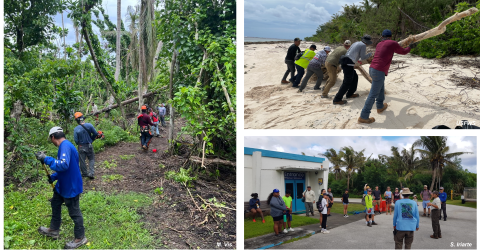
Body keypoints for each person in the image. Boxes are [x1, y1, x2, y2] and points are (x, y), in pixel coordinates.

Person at [35, 127, 88, 250]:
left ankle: (80, 238)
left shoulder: (65, 146)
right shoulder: (65, 146)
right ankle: (54, 229)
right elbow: (68, 167)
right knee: (55, 203)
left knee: (74, 212)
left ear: (53, 137)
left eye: (51, 139)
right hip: (63, 185)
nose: (52, 141)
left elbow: (63, 164)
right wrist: (54, 176)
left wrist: (46, 158)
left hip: (71, 186)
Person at [358, 29, 417, 123]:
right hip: (379, 71)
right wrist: (410, 47)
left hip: (372, 68)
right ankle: (363, 116)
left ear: (382, 37)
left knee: (381, 87)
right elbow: (403, 52)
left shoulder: (379, 44)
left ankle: (380, 106)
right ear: (391, 37)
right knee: (373, 94)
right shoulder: (392, 43)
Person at [332, 35, 373, 105]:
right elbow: (363, 57)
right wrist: (370, 54)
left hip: (346, 61)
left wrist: (358, 60)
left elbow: (353, 54)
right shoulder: (363, 45)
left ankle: (350, 94)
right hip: (349, 64)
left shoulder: (356, 43)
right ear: (367, 42)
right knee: (347, 83)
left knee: (355, 77)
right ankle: (337, 99)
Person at [73, 112, 99, 179]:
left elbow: (76, 140)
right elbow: (95, 134)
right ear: (83, 118)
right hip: (89, 145)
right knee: (91, 159)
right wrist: (91, 139)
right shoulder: (89, 125)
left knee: (82, 160)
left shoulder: (76, 129)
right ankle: (91, 173)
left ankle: (84, 173)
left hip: (81, 146)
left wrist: (80, 143)